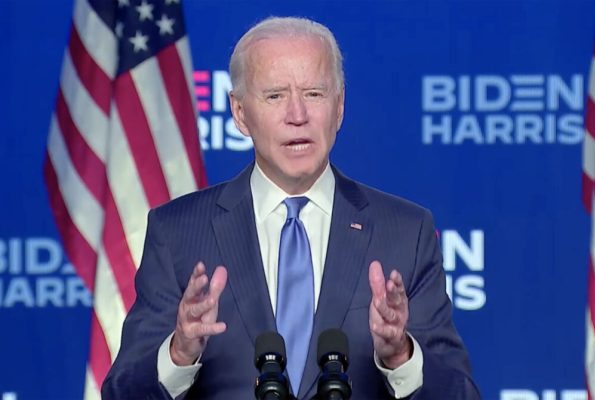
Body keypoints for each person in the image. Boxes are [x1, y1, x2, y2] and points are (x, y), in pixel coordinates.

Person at [102, 16, 479, 400]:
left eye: (314, 93)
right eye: (275, 95)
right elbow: (121, 393)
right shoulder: (178, 232)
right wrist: (179, 354)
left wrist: (401, 356)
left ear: (340, 106)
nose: (297, 115)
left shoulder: (405, 232)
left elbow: (460, 394)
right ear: (240, 112)